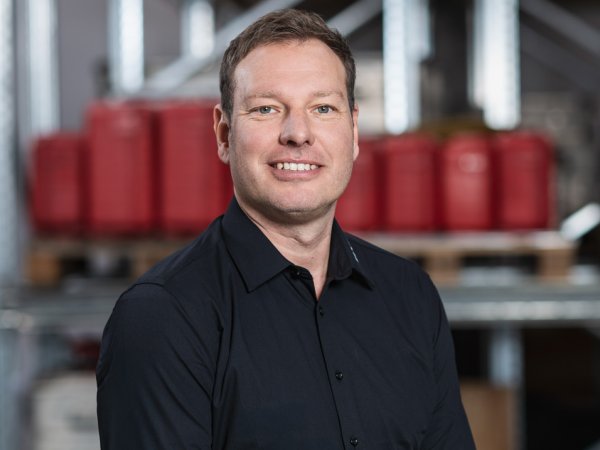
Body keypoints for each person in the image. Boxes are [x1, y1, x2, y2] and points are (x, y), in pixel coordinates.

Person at [96, 8, 475, 450]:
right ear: (224, 134)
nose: (298, 134)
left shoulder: (411, 295)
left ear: (353, 131)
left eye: (323, 108)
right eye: (267, 109)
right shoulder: (163, 317)